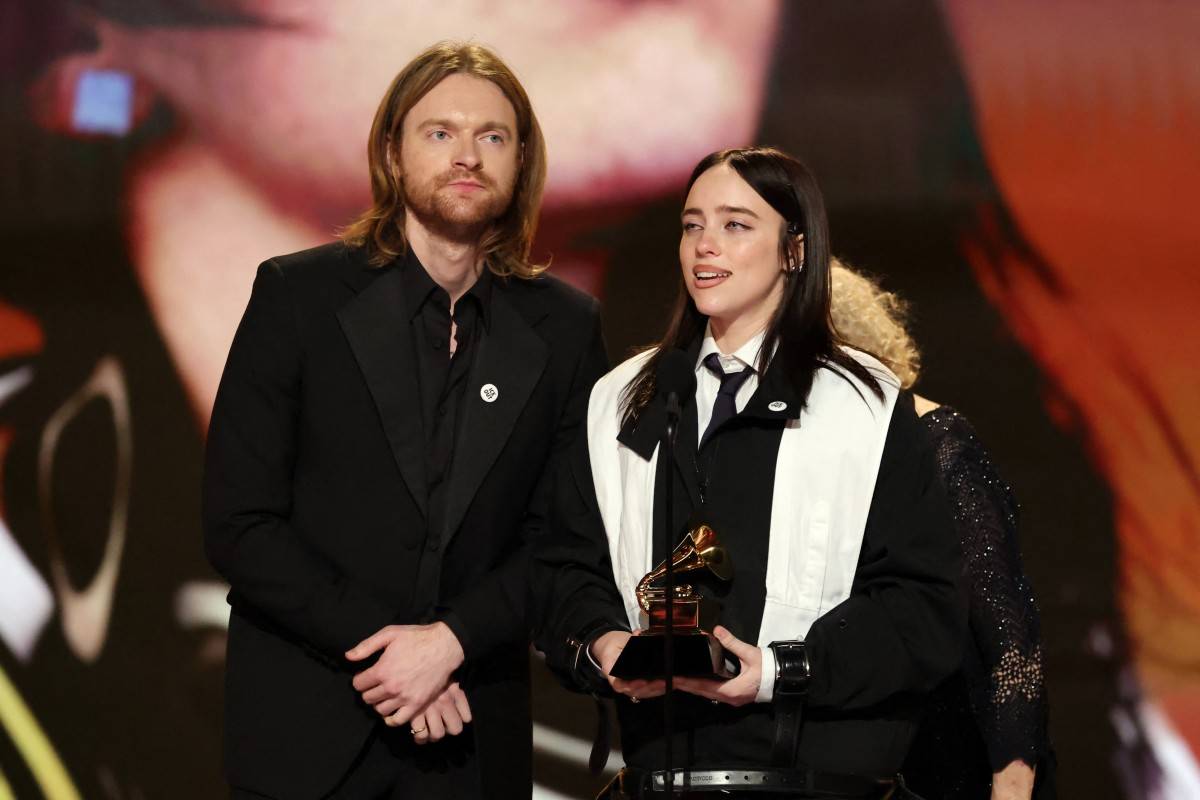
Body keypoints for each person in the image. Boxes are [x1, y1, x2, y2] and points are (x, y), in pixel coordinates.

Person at [202, 41, 607, 799]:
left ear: (521, 160)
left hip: (471, 739)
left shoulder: (564, 328)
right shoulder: (298, 298)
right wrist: (394, 654)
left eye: (493, 136)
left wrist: (451, 642)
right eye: (440, 132)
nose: (467, 156)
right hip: (306, 734)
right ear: (393, 152)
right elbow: (240, 521)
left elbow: (565, 537)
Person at [534, 146, 965, 799]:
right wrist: (604, 643)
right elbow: (565, 567)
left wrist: (778, 670)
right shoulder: (621, 399)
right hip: (655, 777)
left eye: (735, 224)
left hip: (815, 779)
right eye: (692, 225)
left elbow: (924, 609)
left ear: (795, 249)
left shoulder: (865, 405)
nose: (705, 244)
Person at [828, 263, 1055, 800]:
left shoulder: (936, 441)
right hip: (842, 757)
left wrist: (1012, 785)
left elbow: (1005, 630)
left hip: (947, 760)